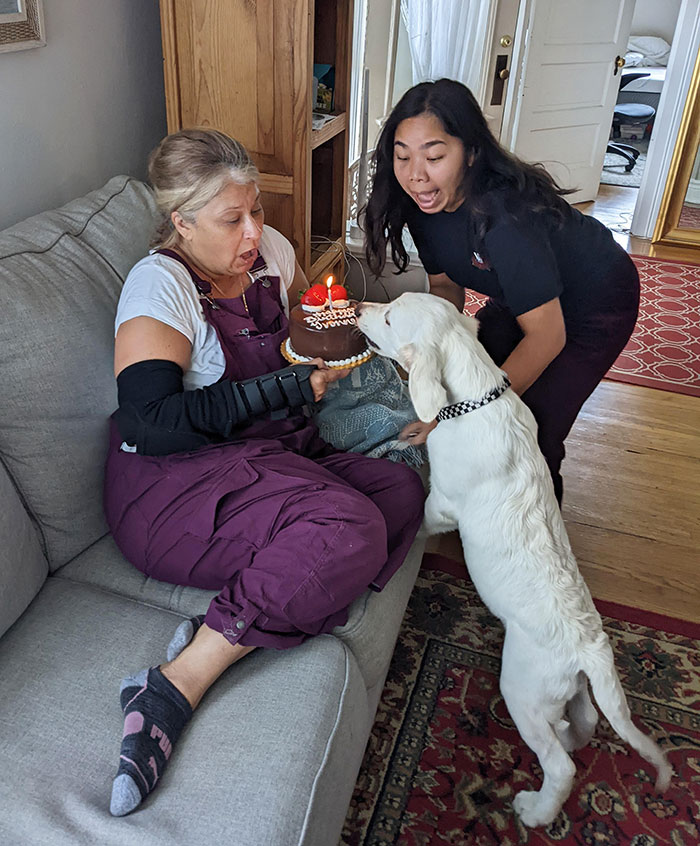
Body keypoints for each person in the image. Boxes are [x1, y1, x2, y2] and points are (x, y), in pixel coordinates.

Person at [104, 128, 425, 816]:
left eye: (256, 210)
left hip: (273, 458)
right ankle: (172, 684)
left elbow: (312, 324)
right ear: (182, 221)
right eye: (231, 219)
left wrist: (358, 335)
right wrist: (284, 388)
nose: (253, 231)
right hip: (177, 485)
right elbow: (148, 423)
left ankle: (265, 599)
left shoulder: (271, 252)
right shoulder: (160, 286)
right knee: (351, 531)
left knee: (400, 489)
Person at [364, 79, 640, 504]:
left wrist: (477, 408)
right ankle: (477, 508)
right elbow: (444, 285)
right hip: (522, 300)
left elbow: (547, 335)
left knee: (528, 426)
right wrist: (432, 349)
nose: (416, 174)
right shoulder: (422, 202)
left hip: (594, 303)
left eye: (434, 157)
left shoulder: (505, 216)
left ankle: (535, 535)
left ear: (472, 153)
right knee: (461, 386)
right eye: (403, 156)